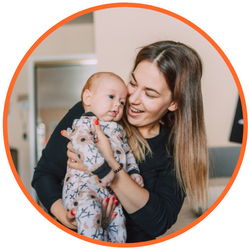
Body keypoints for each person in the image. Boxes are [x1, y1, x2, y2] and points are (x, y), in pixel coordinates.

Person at [32, 40, 209, 243]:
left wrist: (111, 166)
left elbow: (159, 222)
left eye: (149, 93)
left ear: (174, 102)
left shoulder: (175, 148)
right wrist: (63, 216)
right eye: (133, 83)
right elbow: (44, 174)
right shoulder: (92, 112)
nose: (132, 98)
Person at [62, 72, 143, 242]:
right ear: (88, 98)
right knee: (90, 218)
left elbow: (127, 152)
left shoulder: (118, 130)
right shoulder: (85, 122)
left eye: (122, 101)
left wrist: (133, 172)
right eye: (111, 96)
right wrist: (102, 169)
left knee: (119, 222)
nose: (118, 105)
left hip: (109, 194)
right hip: (83, 190)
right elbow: (82, 144)